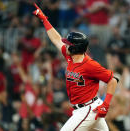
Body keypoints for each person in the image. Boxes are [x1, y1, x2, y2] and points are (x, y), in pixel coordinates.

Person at [33, 3, 118, 131]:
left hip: (87, 110)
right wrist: (44, 19)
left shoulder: (90, 65)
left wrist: (106, 104)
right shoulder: (70, 57)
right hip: (86, 108)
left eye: (68, 44)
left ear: (75, 47)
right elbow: (56, 39)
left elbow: (113, 80)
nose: (65, 45)